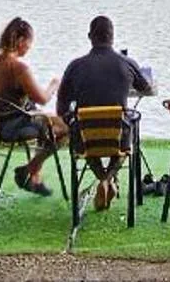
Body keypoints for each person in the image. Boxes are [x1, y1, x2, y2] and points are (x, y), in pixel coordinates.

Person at [56, 14, 156, 211]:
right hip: (118, 139)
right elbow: (147, 89)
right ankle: (109, 177)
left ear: (89, 36)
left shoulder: (75, 66)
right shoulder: (127, 62)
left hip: (85, 140)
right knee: (125, 137)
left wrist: (71, 121)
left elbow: (61, 106)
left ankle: (101, 178)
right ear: (112, 37)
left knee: (83, 135)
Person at [0, 17, 63, 196]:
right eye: (29, 43)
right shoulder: (18, 68)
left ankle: (34, 178)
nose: (29, 47)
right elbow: (42, 98)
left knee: (46, 122)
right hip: (13, 127)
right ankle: (30, 169)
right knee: (66, 128)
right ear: (20, 41)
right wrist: (54, 84)